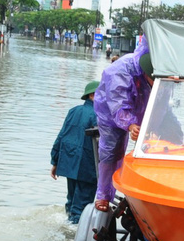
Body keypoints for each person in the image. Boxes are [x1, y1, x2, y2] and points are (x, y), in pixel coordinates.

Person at [93, 37, 155, 211]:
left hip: (139, 106)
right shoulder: (120, 72)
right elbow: (118, 103)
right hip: (110, 114)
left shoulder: (155, 69)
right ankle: (103, 195)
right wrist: (130, 125)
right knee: (112, 151)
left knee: (151, 146)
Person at [50, 81, 100, 224]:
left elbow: (61, 136)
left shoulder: (73, 111)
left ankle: (67, 226)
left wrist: (55, 161)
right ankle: (74, 237)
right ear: (92, 95)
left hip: (69, 163)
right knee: (82, 206)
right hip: (88, 166)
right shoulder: (100, 115)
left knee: (71, 201)